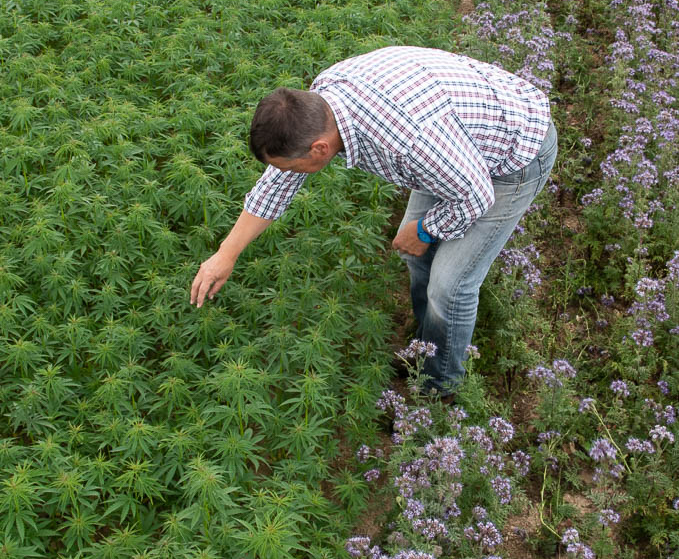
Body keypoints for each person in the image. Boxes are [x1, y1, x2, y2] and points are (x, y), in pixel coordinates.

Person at [189, 45, 557, 396]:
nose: (289, 173)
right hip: (456, 145)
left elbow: (476, 195)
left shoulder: (406, 140)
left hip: (512, 154)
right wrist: (227, 253)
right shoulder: (321, 103)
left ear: (319, 148)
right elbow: (278, 182)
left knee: (451, 285)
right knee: (417, 255)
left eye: (291, 165)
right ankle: (427, 346)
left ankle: (439, 386)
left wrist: (428, 229)